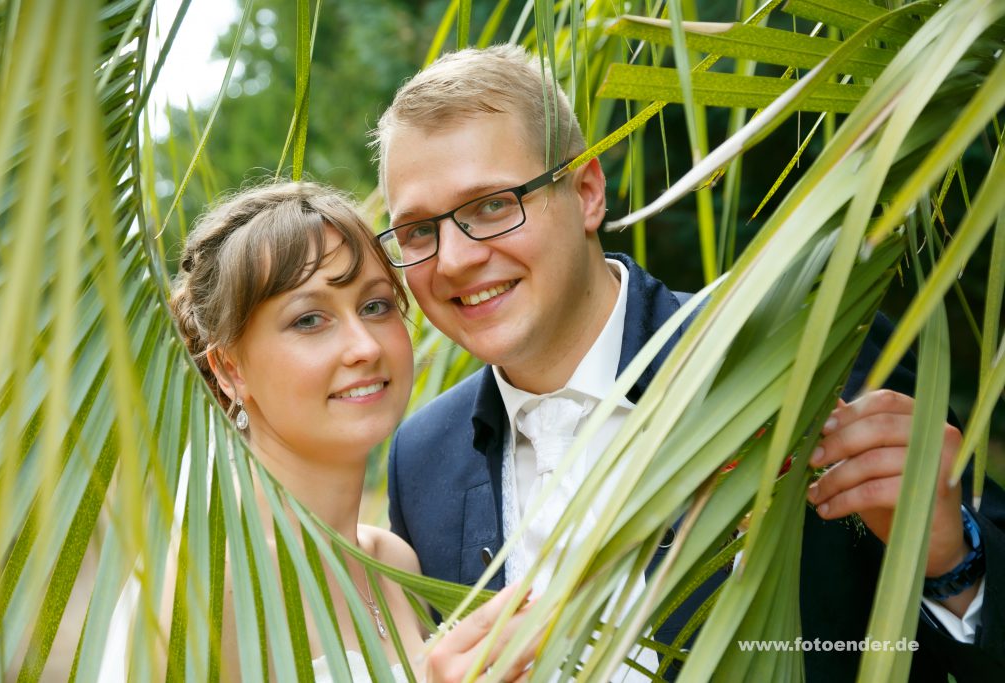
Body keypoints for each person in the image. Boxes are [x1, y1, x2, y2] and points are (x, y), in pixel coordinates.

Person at [373, 45, 1005, 680]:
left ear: (588, 193)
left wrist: (951, 559)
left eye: (491, 205)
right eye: (419, 230)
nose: (452, 259)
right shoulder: (421, 457)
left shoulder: (798, 350)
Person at [169, 181, 536, 682]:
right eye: (309, 319)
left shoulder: (396, 563)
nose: (364, 346)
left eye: (375, 306)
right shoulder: (213, 581)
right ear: (230, 369)